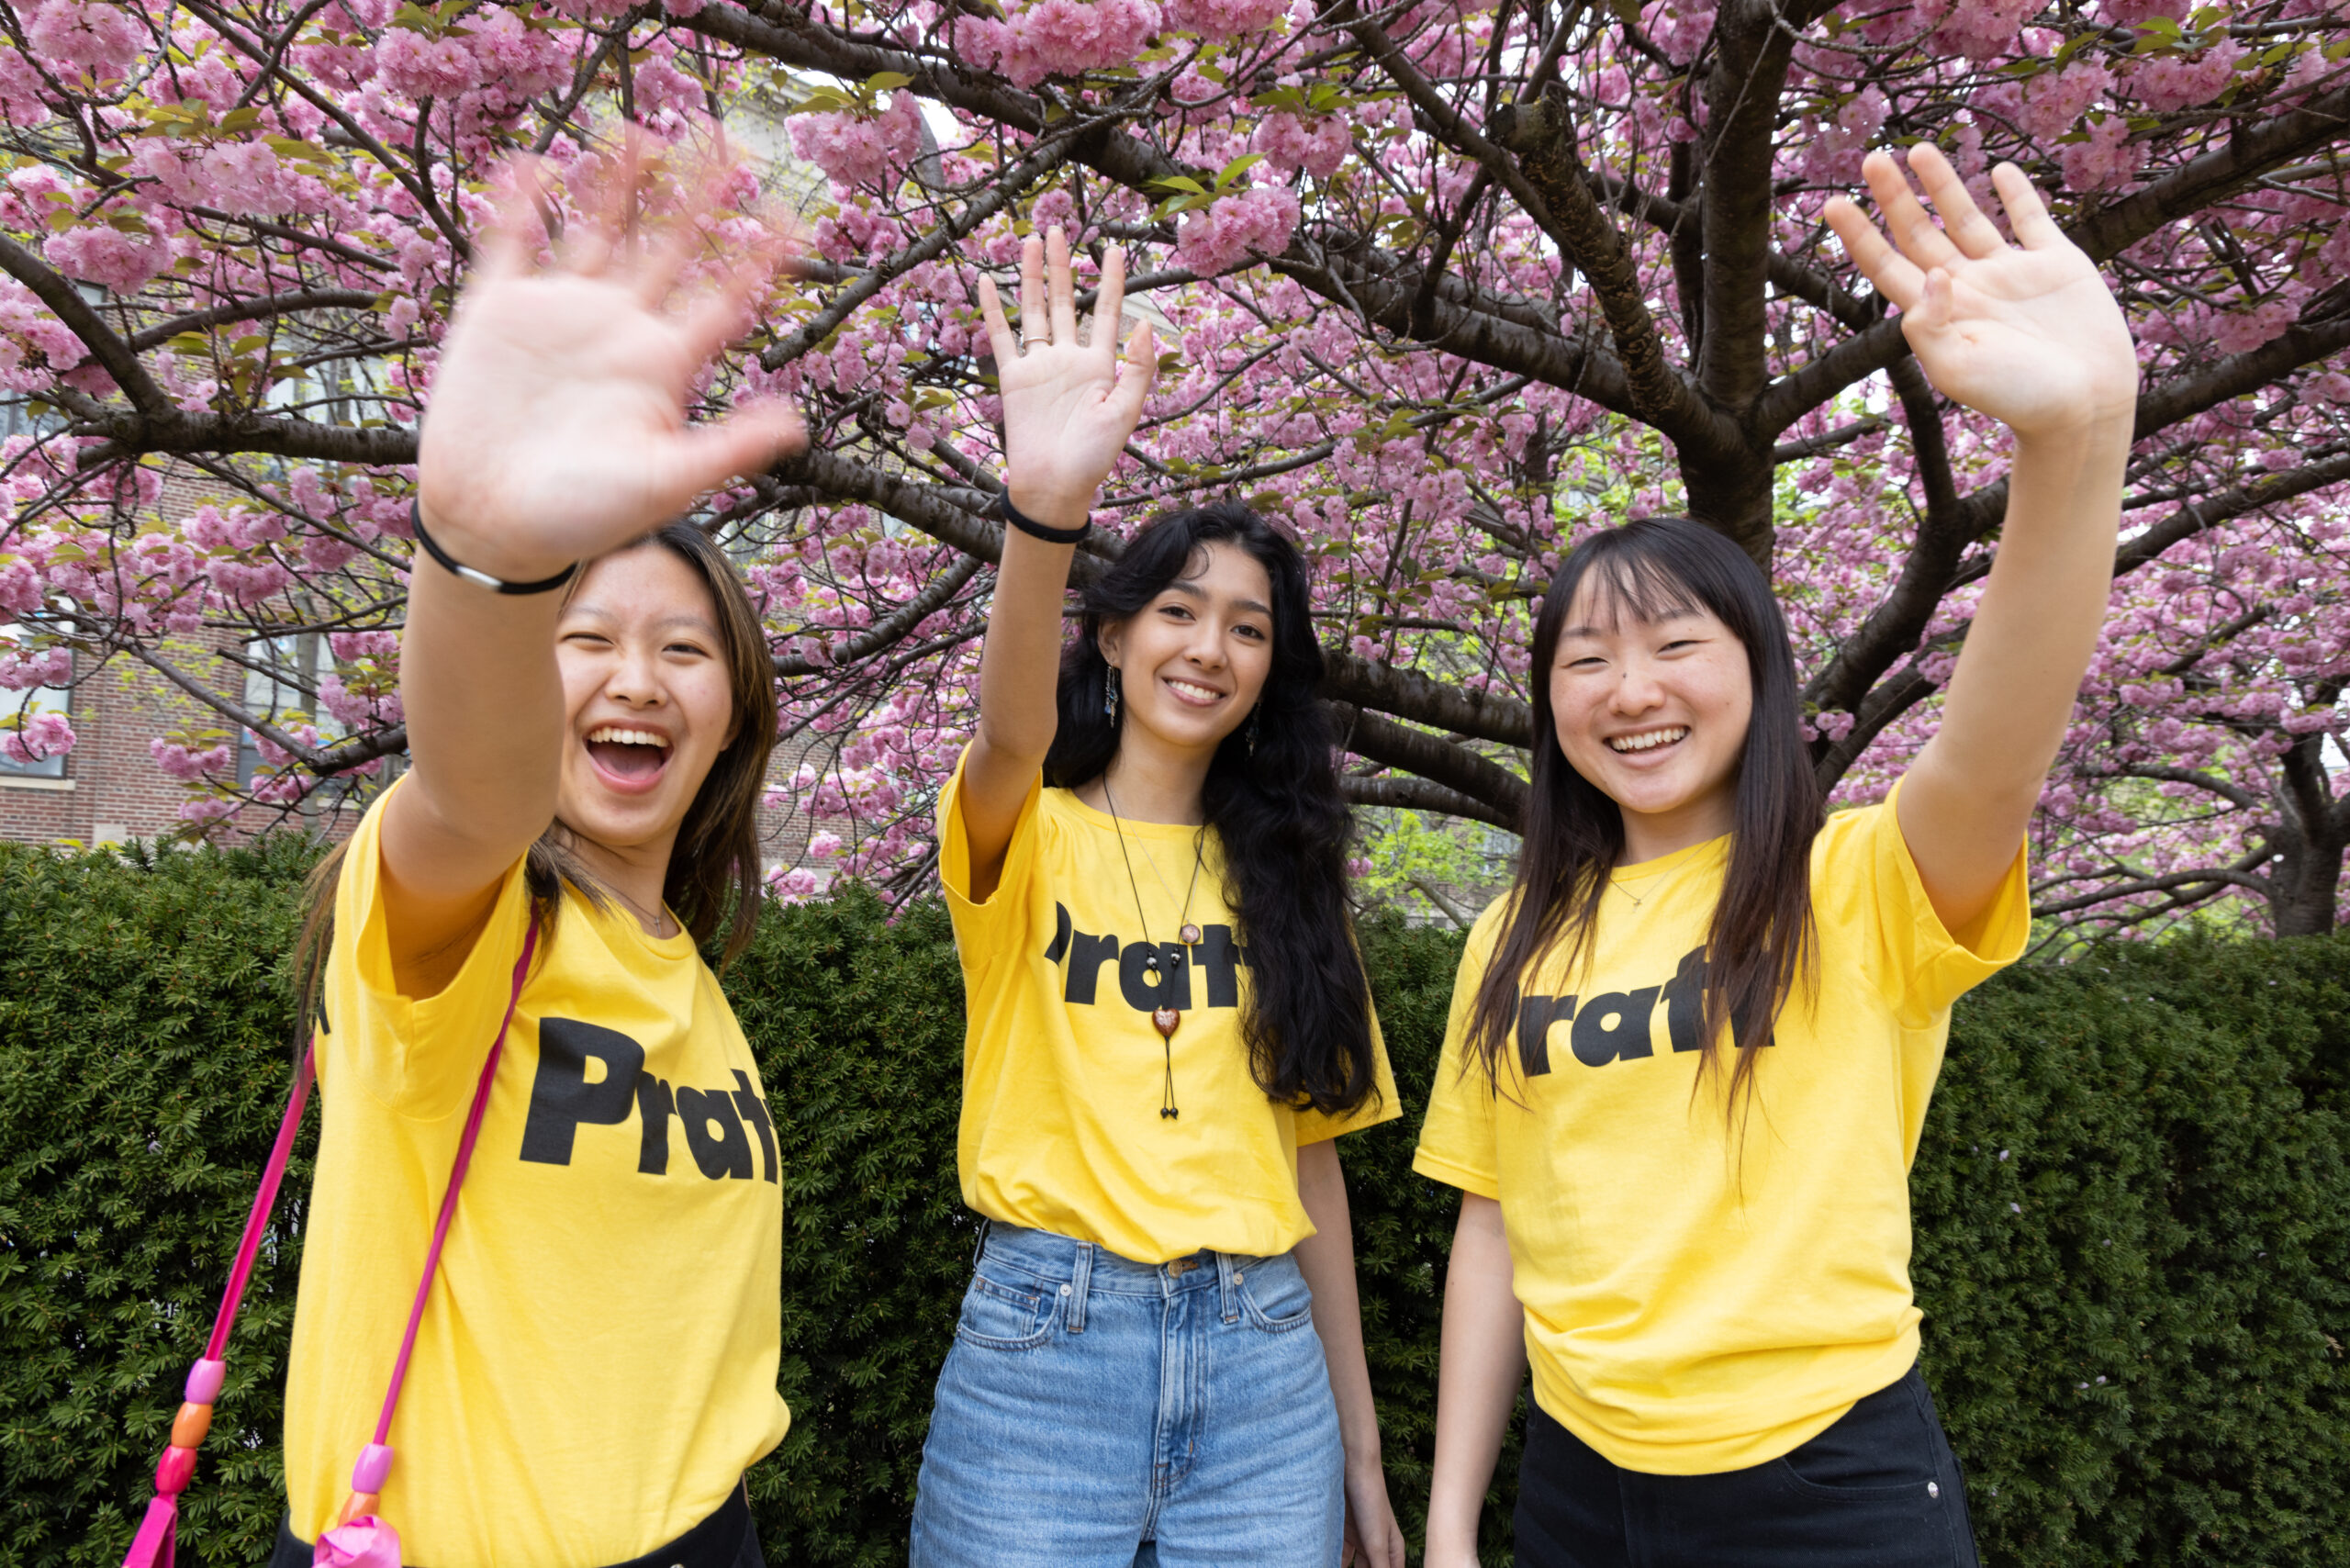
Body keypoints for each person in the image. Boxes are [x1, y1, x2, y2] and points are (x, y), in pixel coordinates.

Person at [1415, 145, 2138, 1568]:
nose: (1633, 690)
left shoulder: (1858, 884)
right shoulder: (1514, 939)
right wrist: (1451, 1523)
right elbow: (1494, 1233)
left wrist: (2075, 441)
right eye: (1588, 657)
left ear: (1758, 676)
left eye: (1678, 644)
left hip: (1826, 1490)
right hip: (1578, 1491)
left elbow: (1997, 745)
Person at [270, 151, 808, 1568]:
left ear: (733, 713)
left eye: (683, 651)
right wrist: (491, 565)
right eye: (589, 641)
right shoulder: (458, 914)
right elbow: (474, 787)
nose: (636, 680)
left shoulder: (688, 971)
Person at [906, 228, 1408, 1568]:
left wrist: (1360, 1450)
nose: (1212, 648)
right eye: (1181, 613)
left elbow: (1314, 1171)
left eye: (1249, 627)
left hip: (1264, 1372)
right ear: (1117, 633)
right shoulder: (1027, 833)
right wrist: (1045, 508)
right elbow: (1008, 733)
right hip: (1044, 1352)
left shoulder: (1296, 883)